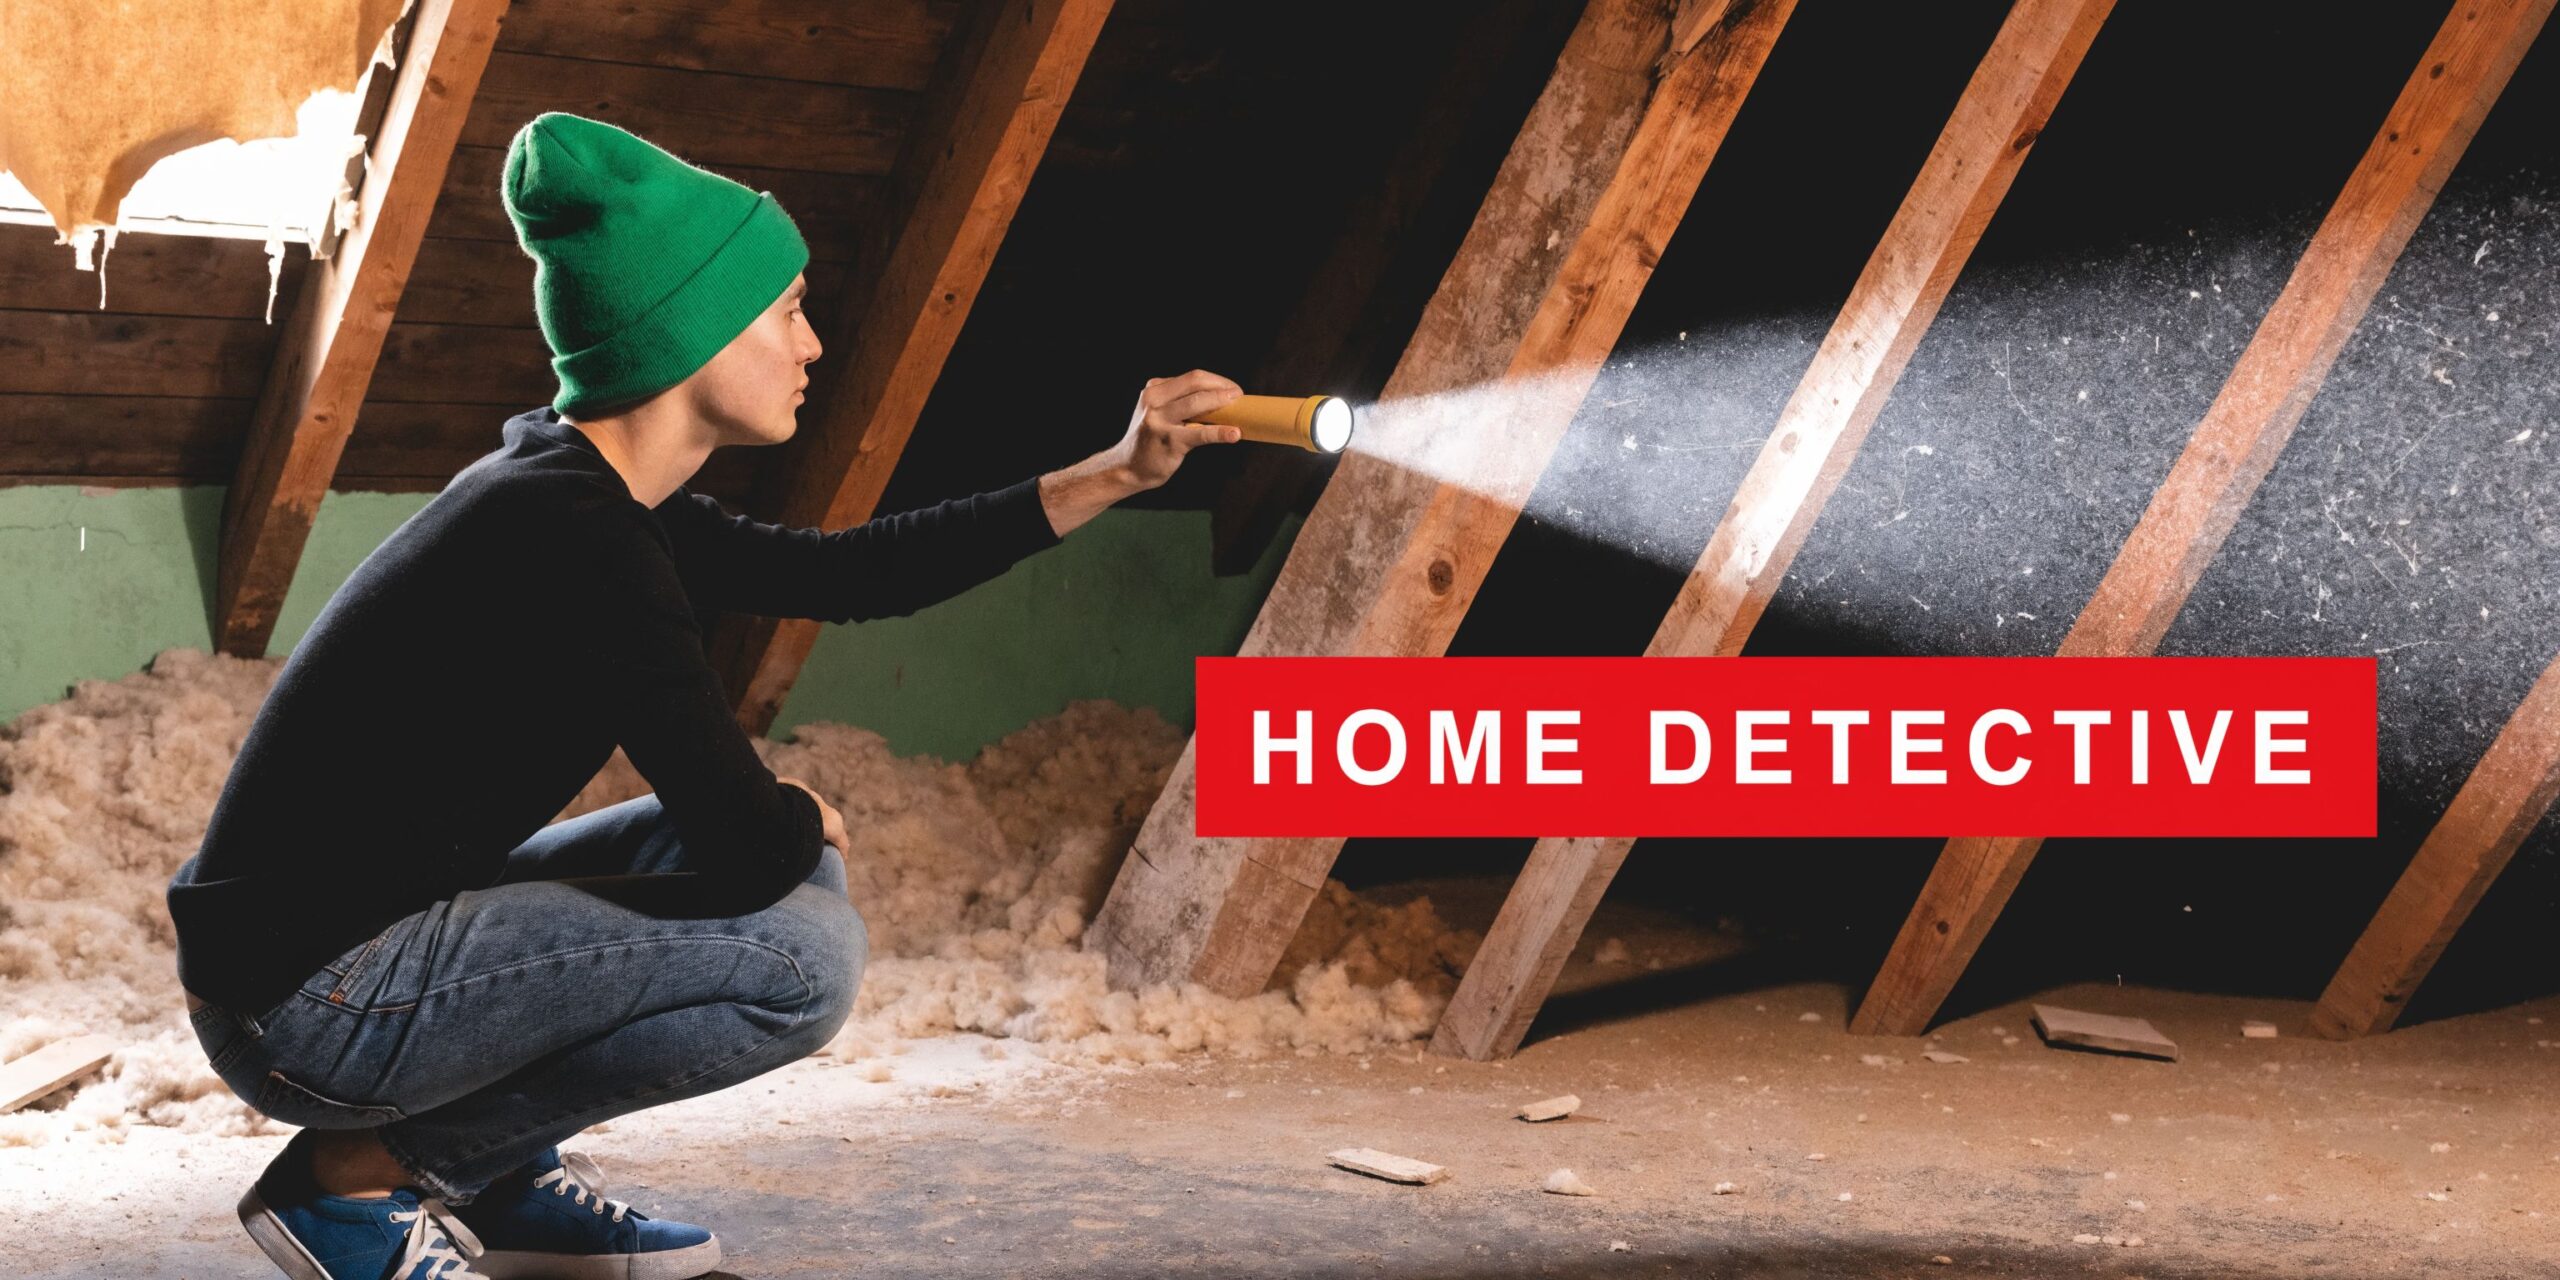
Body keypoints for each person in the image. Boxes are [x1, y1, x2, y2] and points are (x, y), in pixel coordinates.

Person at [167, 112, 1243, 1280]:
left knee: (787, 887)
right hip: (309, 1005)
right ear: (689, 333)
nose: (813, 342)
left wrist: (1119, 470)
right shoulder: (583, 541)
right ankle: (364, 1184)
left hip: (354, 946)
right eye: (785, 310)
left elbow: (850, 573)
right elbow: (745, 845)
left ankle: (501, 1177)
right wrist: (793, 816)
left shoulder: (587, 489)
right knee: (802, 961)